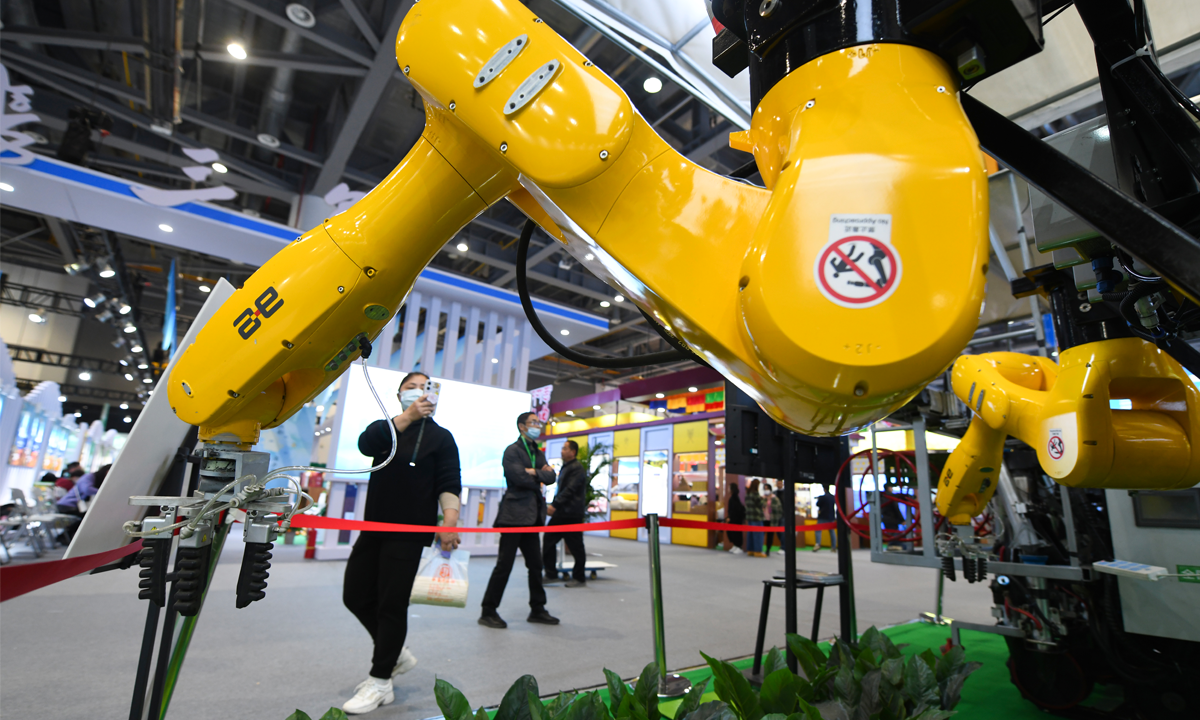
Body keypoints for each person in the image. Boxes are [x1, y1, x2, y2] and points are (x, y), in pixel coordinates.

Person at [341, 371, 462, 715]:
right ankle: (396, 654)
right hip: (373, 528)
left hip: (410, 535)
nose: (418, 391)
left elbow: (449, 482)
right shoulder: (387, 430)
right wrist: (407, 417)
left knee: (391, 605)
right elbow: (365, 445)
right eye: (411, 387)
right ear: (399, 395)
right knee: (355, 595)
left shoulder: (442, 437)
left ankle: (380, 681)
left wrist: (449, 523)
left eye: (424, 387)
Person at [480, 412, 560, 628]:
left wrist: (533, 471)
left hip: (533, 517)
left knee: (536, 565)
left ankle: (538, 609)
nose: (537, 426)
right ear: (522, 426)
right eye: (533, 422)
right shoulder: (512, 451)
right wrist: (538, 474)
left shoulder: (537, 452)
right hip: (513, 516)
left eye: (538, 422)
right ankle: (488, 611)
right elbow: (518, 478)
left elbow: (551, 477)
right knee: (504, 565)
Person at [542, 440, 588, 587]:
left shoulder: (577, 468)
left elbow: (570, 490)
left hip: (571, 514)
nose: (562, 451)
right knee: (549, 541)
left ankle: (579, 577)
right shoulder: (567, 466)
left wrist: (555, 505)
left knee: (576, 546)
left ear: (573, 452)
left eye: (565, 448)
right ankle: (551, 573)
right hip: (562, 513)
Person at [56, 464, 110, 543]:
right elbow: (87, 489)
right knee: (88, 517)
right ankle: (64, 536)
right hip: (66, 505)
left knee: (89, 516)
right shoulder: (89, 477)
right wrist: (104, 492)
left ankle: (65, 536)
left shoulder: (93, 478)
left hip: (73, 505)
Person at [745, 479, 766, 557]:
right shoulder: (755, 494)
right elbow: (760, 504)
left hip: (749, 517)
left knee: (750, 534)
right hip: (757, 517)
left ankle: (750, 550)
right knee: (758, 535)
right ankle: (757, 551)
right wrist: (763, 499)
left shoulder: (748, 493)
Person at [813, 484, 837, 552]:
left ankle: (818, 544)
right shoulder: (833, 497)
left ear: (824, 489)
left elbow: (817, 504)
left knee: (818, 531)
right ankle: (833, 547)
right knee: (832, 532)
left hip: (822, 516)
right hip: (831, 517)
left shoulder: (822, 497)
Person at [763, 483, 784, 556]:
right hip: (764, 519)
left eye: (767, 488)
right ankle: (759, 549)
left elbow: (779, 510)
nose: (766, 490)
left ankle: (768, 550)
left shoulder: (775, 498)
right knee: (762, 534)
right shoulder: (763, 498)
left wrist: (776, 517)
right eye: (765, 489)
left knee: (770, 536)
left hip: (772, 520)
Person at [723, 482, 745, 554]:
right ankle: (735, 545)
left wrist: (730, 517)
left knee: (736, 533)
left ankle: (739, 546)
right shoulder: (733, 497)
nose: (728, 489)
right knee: (732, 533)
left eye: (729, 488)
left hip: (736, 519)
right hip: (733, 518)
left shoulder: (734, 498)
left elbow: (735, 509)